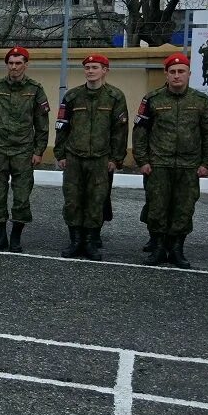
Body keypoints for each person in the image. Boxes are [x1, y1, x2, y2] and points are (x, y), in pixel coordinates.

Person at [132, 54, 208, 268]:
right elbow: (140, 132)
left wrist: (207, 163)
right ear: (166, 74)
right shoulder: (152, 99)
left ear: (189, 74)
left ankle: (177, 249)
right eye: (173, 72)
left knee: (184, 209)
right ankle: (159, 248)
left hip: (189, 167)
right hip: (159, 164)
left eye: (181, 71)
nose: (177, 76)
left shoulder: (201, 101)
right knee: (157, 208)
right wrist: (142, 160)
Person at [53, 54, 129, 260]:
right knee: (72, 200)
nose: (90, 71)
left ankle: (90, 241)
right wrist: (60, 154)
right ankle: (75, 241)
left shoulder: (115, 97)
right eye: (87, 67)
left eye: (95, 67)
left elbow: (120, 131)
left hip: (100, 158)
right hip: (74, 158)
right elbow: (62, 127)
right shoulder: (72, 96)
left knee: (96, 201)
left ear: (105, 70)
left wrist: (116, 158)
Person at [0, 47, 50, 253]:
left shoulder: (36, 89)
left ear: (26, 65)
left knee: (22, 196)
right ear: (6, 65)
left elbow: (42, 123)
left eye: (18, 63)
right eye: (10, 63)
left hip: (23, 151)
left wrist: (38, 151)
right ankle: (0, 237)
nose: (14, 67)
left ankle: (16, 237)